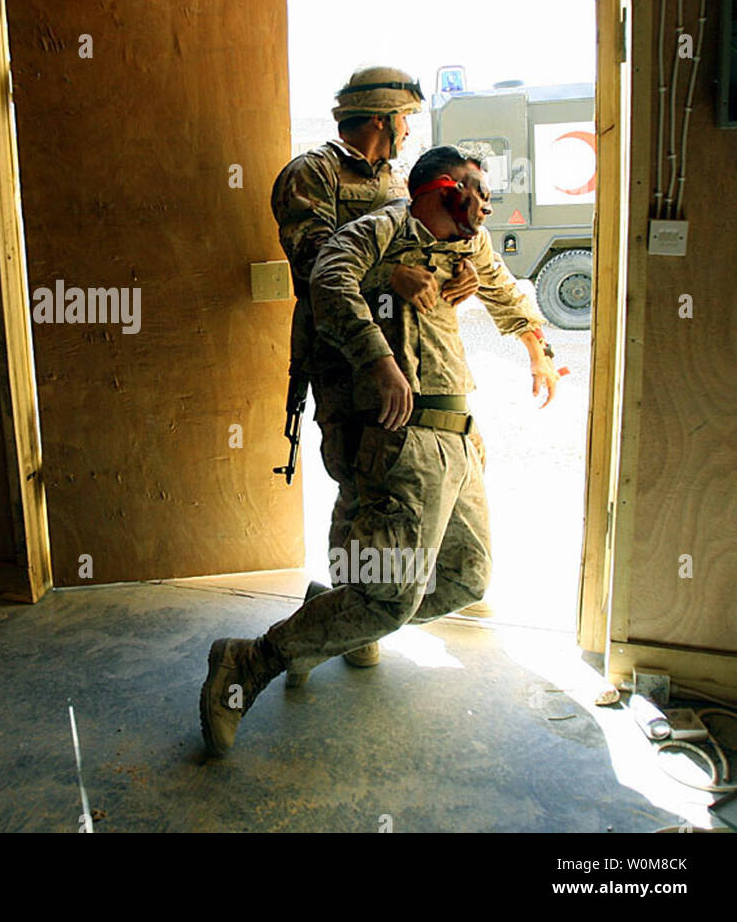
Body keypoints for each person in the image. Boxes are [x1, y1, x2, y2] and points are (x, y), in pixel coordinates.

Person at [201, 145, 560, 757]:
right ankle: (250, 661)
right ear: (443, 187)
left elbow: (501, 286)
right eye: (477, 188)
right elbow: (326, 274)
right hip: (409, 436)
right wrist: (379, 356)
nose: (487, 201)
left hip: (459, 435)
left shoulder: (463, 248)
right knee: (390, 598)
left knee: (466, 579)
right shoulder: (384, 226)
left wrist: (536, 346)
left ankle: (330, 618)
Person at [272, 67, 479, 679]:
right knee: (355, 488)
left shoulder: (396, 181)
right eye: (404, 119)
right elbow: (316, 262)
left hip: (398, 357)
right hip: (342, 358)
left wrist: (449, 277)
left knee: (382, 498)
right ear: (380, 119)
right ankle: (343, 614)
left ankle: (343, 611)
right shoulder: (310, 174)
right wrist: (386, 277)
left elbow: (417, 250)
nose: (409, 131)